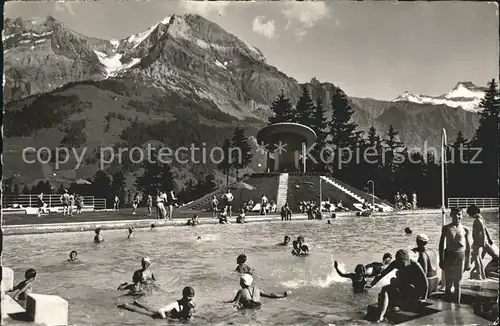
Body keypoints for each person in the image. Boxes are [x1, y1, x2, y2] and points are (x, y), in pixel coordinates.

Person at [367, 249, 428, 323]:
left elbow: (425, 282)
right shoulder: (395, 263)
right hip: (404, 287)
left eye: (403, 264)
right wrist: (371, 284)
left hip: (414, 289)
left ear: (408, 261)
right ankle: (381, 317)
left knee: (396, 281)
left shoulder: (415, 265)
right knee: (385, 288)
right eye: (399, 264)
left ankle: (397, 305)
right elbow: (382, 274)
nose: (401, 266)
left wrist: (424, 297)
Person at [439, 207, 472, 303]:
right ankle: (447, 305)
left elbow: (468, 246)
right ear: (451, 215)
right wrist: (441, 259)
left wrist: (468, 261)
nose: (457, 216)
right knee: (448, 283)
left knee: (458, 283)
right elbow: (441, 244)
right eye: (454, 214)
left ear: (462, 215)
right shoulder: (446, 228)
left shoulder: (465, 229)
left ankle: (457, 305)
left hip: (460, 256)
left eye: (459, 214)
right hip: (449, 256)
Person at [121, 287, 196, 319]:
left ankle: (137, 303)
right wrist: (164, 320)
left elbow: (191, 313)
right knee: (143, 312)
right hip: (158, 315)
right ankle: (126, 306)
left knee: (150, 308)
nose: (191, 298)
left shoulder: (191, 303)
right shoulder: (175, 304)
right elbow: (161, 310)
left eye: (192, 296)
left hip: (163, 313)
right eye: (189, 296)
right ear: (184, 295)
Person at [467, 205, 493, 280]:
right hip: (478, 241)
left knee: (476, 258)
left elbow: (483, 231)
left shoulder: (478, 220)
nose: (471, 216)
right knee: (479, 259)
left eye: (471, 215)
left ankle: (479, 275)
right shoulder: (481, 219)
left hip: (477, 242)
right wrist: (489, 239)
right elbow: (485, 229)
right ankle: (483, 275)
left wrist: (483, 242)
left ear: (474, 212)